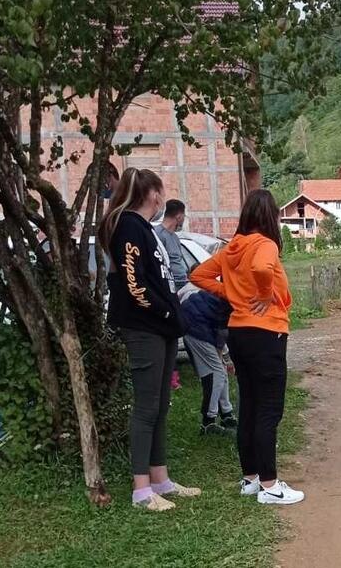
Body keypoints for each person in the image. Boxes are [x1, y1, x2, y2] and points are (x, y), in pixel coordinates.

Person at [191, 189, 304, 506]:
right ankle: (270, 486)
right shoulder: (264, 244)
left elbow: (198, 275)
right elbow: (262, 269)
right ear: (271, 217)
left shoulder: (232, 248)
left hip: (239, 332)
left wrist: (229, 293)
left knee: (250, 405)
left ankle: (251, 478)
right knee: (269, 409)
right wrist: (265, 294)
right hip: (267, 333)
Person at [99, 168, 199, 511]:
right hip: (144, 327)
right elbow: (135, 285)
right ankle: (141, 491)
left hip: (162, 327)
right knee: (145, 407)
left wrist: (172, 315)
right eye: (161, 191)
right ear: (153, 194)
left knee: (160, 404)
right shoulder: (127, 226)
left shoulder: (145, 229)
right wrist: (167, 313)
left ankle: (160, 479)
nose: (163, 198)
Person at [179, 281, 237, 434]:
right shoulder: (237, 299)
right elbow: (222, 332)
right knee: (216, 373)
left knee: (221, 371)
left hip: (200, 323)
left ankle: (226, 414)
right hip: (195, 327)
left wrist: (226, 357)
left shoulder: (235, 291)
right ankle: (208, 422)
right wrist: (226, 356)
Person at [155, 199, 189, 291]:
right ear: (179, 216)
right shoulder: (157, 234)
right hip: (169, 286)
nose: (184, 218)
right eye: (184, 215)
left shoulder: (175, 237)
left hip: (182, 284)